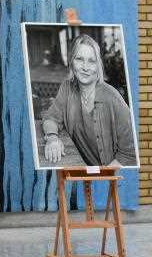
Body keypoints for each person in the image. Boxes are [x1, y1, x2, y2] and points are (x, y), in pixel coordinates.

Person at [41, 34, 137, 167]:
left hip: (108, 172)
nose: (85, 67)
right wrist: (52, 138)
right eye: (79, 59)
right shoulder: (67, 88)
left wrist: (102, 176)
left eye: (91, 61)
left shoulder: (113, 99)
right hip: (81, 166)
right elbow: (51, 117)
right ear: (71, 62)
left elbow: (130, 154)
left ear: (98, 66)